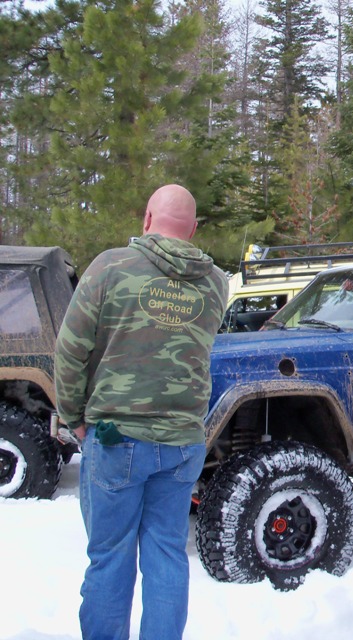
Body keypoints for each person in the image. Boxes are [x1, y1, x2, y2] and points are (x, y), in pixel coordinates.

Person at [54, 184, 229, 640]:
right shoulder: (216, 283)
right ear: (192, 229)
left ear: (147, 220)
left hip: (116, 437)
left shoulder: (111, 267)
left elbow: (70, 351)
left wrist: (74, 417)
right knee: (167, 553)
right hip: (182, 442)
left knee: (110, 556)